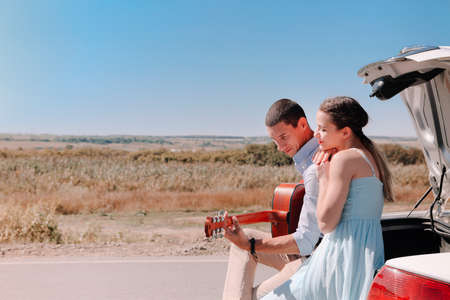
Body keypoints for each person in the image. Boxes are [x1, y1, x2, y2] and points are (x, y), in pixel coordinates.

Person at [261, 96, 394, 300]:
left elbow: (325, 224)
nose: (317, 134)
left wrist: (323, 178)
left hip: (339, 257)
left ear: (345, 132)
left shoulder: (344, 159)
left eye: (323, 129)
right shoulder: (369, 156)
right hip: (364, 256)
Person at [222, 98, 322, 300]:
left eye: (283, 137)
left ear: (303, 124)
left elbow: (306, 241)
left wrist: (250, 244)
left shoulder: (316, 164)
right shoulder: (307, 156)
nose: (280, 147)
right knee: (245, 236)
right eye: (275, 140)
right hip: (303, 250)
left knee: (251, 296)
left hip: (314, 259)